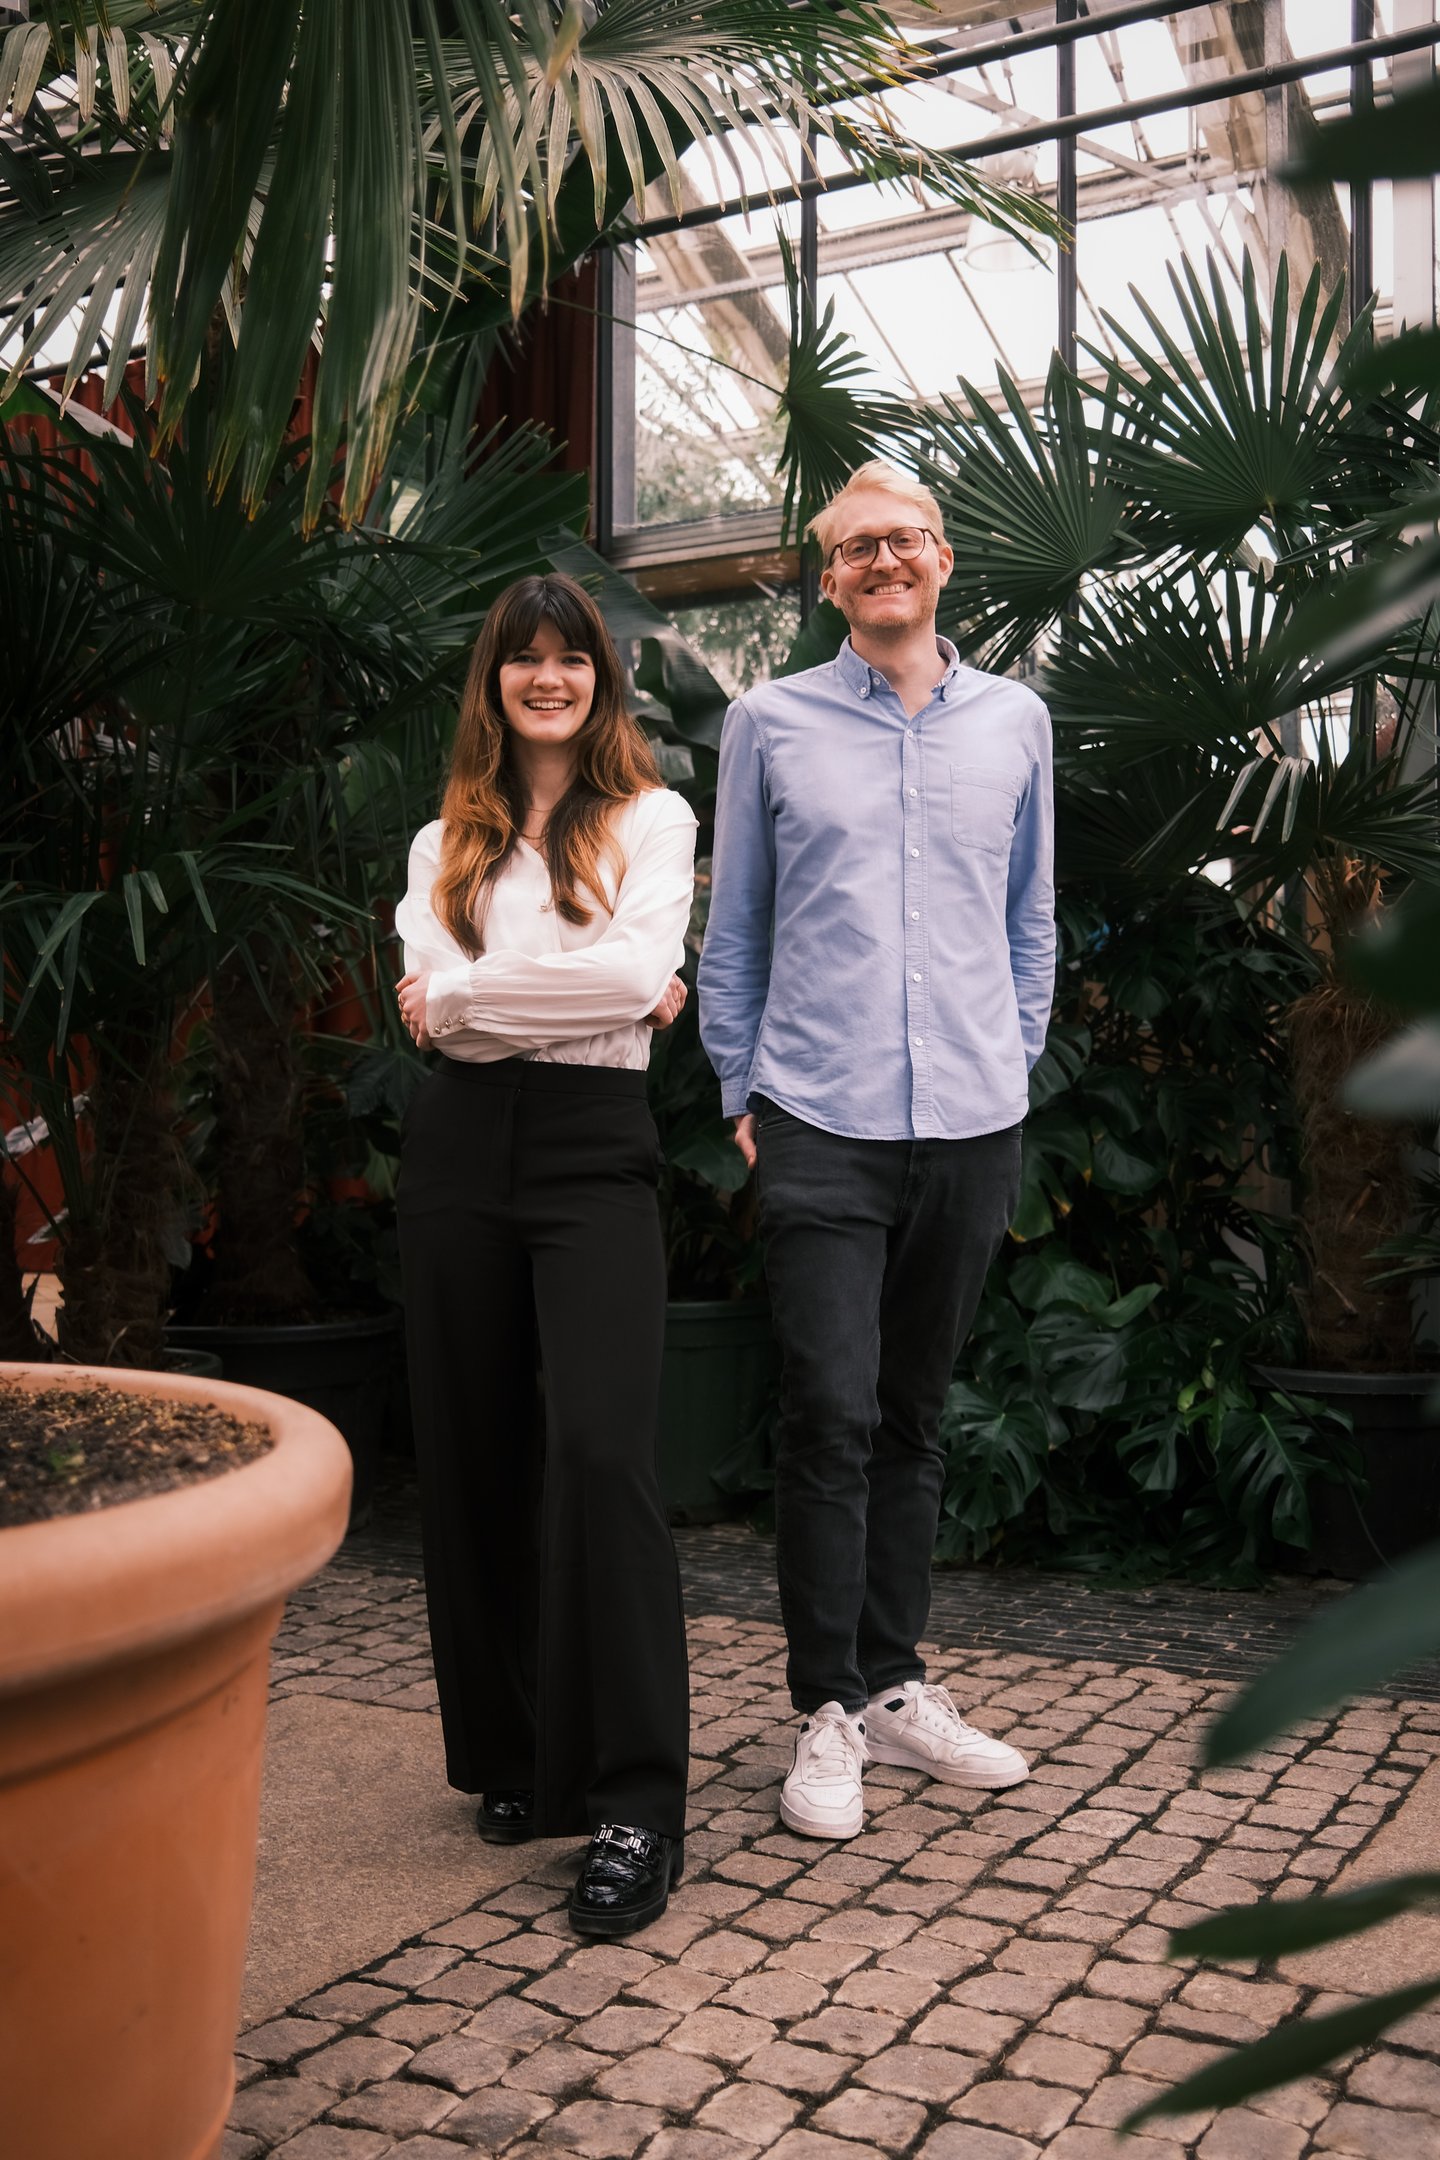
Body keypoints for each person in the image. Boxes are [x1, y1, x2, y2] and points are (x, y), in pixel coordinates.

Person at [697, 460, 1055, 1840]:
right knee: (830, 1416)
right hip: (820, 1121)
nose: (883, 562)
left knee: (911, 1417)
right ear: (828, 575)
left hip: (971, 1123)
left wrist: (1010, 1059)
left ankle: (901, 1687)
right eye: (856, 549)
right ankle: (827, 1711)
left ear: (945, 561)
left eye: (904, 541)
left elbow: (1031, 921)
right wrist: (745, 1089)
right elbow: (736, 936)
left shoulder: (1016, 720)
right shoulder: (769, 723)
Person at [394, 571, 696, 1934]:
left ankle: (638, 1800)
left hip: (590, 1144)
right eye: (525, 659)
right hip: (458, 1149)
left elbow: (634, 984)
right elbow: (434, 1028)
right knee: (474, 1448)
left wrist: (465, 992)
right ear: (494, 680)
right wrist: (480, 1006)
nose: (551, 678)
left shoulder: (653, 817)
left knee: (599, 1453)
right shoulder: (438, 845)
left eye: (573, 658)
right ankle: (514, 1759)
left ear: (601, 681)